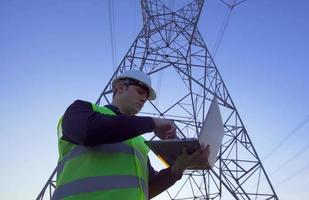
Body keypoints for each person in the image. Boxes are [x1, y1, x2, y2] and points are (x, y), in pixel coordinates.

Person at [52, 69, 210, 200]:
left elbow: (147, 188)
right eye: (140, 92)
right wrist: (152, 123)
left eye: (146, 98)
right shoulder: (82, 111)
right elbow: (88, 131)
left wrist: (177, 170)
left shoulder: (138, 141)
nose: (143, 99)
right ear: (120, 88)